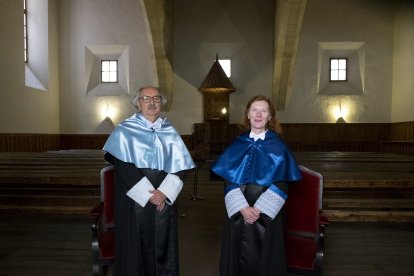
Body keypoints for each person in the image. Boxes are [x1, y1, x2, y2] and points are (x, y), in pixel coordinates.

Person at [103, 86, 195, 276]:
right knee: (135, 251)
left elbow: (181, 167)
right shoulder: (124, 130)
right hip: (133, 201)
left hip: (164, 199)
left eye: (156, 99)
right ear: (138, 103)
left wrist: (164, 193)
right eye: (146, 98)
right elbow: (123, 167)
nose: (152, 103)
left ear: (161, 103)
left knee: (164, 247)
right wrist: (150, 195)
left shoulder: (170, 131)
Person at [211, 95, 302, 276]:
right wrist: (243, 207)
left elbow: (282, 183)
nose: (258, 114)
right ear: (247, 114)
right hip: (239, 212)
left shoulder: (278, 146)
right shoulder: (237, 143)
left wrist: (258, 210)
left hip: (266, 215)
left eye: (263, 110)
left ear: (270, 117)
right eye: (254, 110)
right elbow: (228, 180)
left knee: (265, 260)